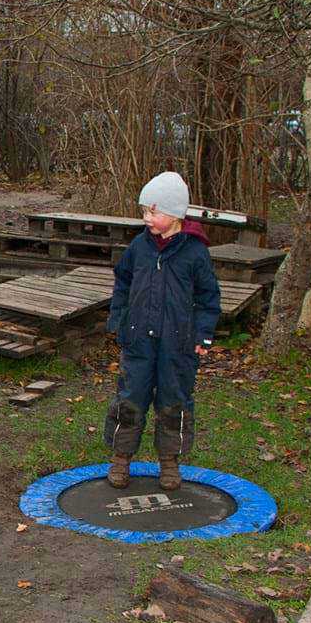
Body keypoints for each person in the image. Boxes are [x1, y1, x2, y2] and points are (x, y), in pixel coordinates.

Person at [104, 171, 221, 492]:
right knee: (129, 400)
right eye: (144, 211)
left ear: (175, 214)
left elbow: (208, 298)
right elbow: (123, 282)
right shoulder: (139, 247)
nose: (147, 218)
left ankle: (169, 462)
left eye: (153, 212)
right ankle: (121, 458)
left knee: (174, 403)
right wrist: (119, 320)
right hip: (138, 342)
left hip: (178, 347)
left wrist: (203, 336)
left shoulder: (195, 253)